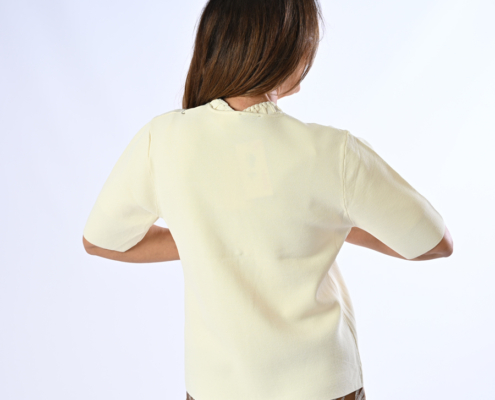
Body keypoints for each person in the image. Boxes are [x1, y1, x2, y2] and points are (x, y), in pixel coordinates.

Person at [82, 0, 454, 399]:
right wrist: (320, 224)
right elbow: (434, 242)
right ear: (285, 47)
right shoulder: (332, 152)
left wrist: (211, 236)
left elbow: (102, 240)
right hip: (321, 386)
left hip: (213, 388)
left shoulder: (162, 140)